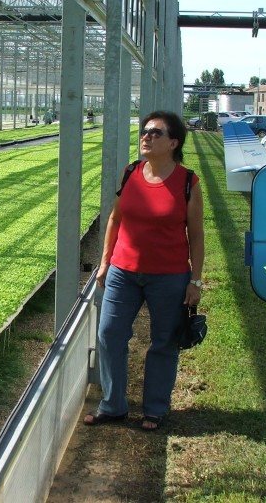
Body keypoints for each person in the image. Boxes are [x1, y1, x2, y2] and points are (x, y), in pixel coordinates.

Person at [84, 110, 204, 431]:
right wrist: (106, 262)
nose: (146, 136)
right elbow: (115, 219)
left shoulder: (188, 183)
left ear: (173, 143)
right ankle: (113, 405)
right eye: (145, 131)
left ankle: (155, 409)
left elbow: (196, 235)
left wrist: (195, 280)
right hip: (123, 272)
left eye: (155, 133)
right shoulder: (131, 173)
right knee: (109, 334)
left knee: (163, 341)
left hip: (169, 276)